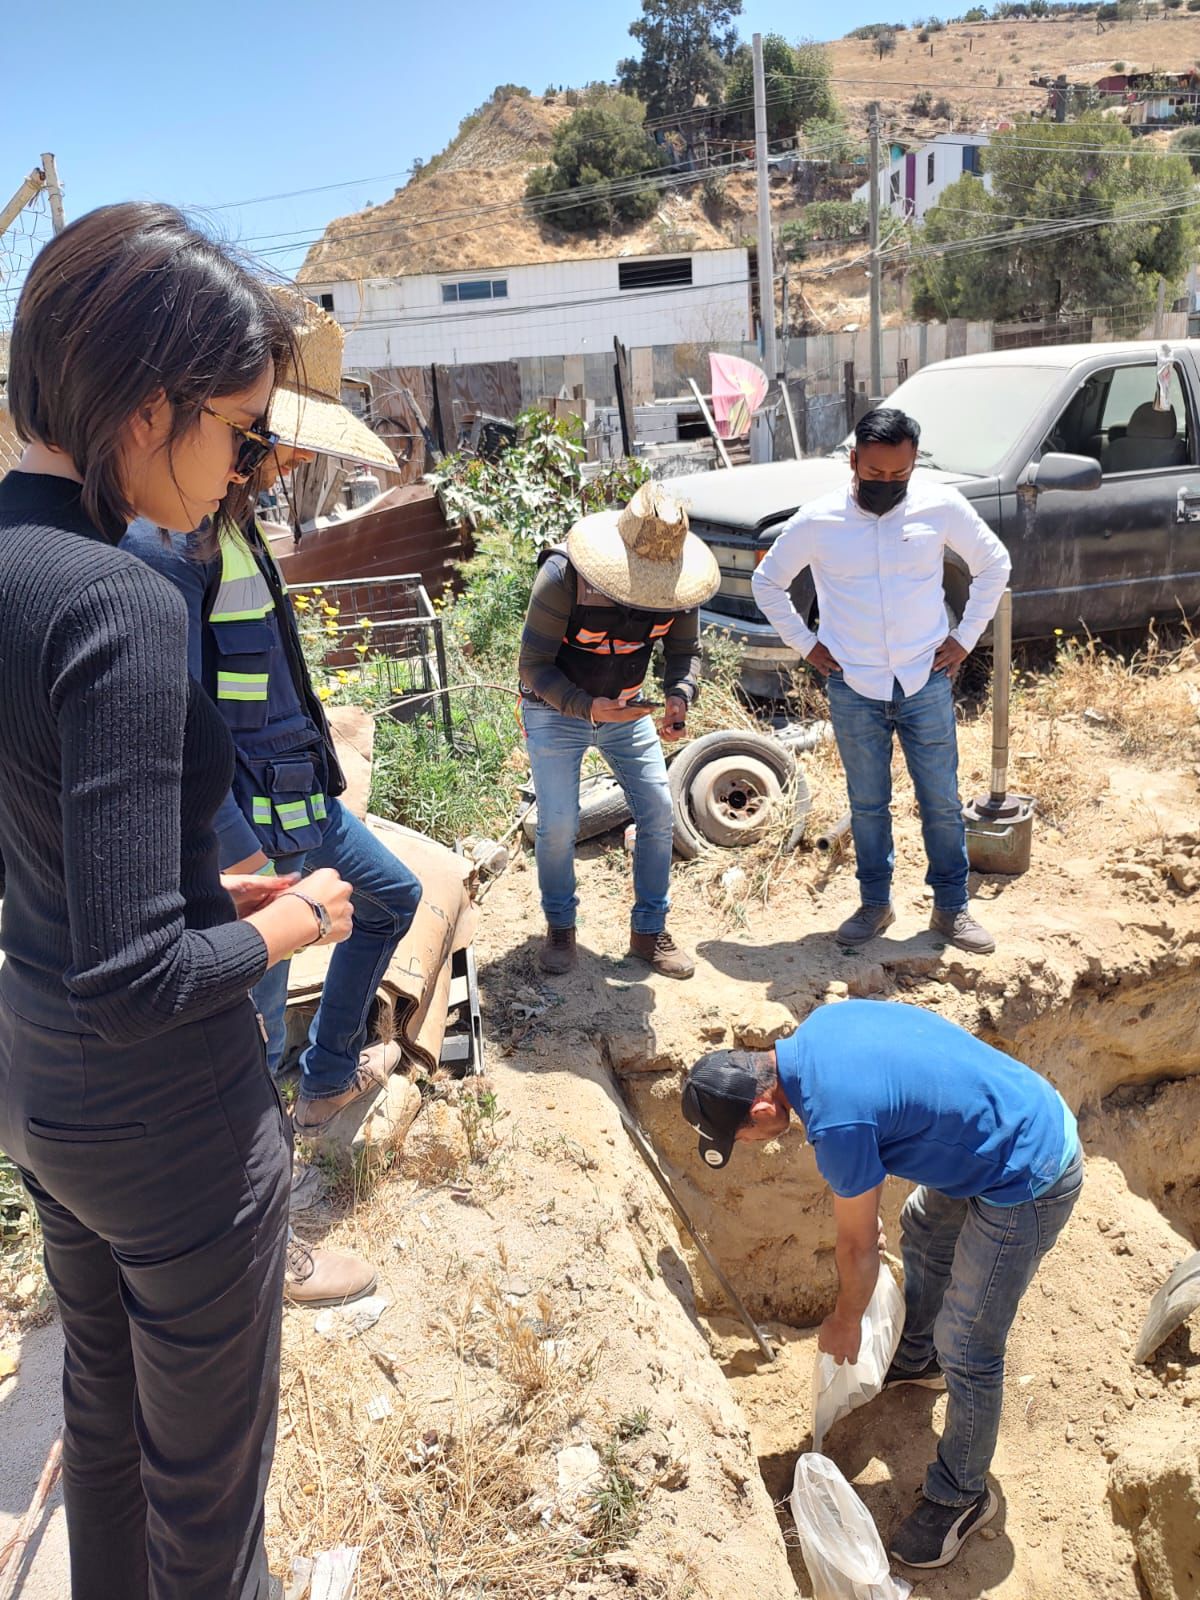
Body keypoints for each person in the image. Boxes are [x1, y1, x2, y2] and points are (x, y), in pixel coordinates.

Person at [0, 203, 354, 1600]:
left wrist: (211, 892)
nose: (249, 466)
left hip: (39, 1087)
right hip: (169, 1127)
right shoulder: (121, 601)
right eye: (242, 429)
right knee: (208, 1508)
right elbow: (141, 973)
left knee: (105, 1417)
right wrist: (296, 919)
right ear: (148, 408)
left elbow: (69, 865)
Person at [123, 294, 422, 1163]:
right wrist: (232, 847)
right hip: (248, 816)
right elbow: (169, 711)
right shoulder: (169, 543)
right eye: (283, 439)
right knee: (255, 992)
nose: (293, 460)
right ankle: (260, 1178)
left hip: (298, 795)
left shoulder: (235, 522)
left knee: (392, 897)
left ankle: (323, 1076)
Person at [681, 1000, 1081, 1571]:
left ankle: (963, 1495)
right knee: (923, 1224)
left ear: (764, 1103)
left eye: (740, 1135)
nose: (749, 1145)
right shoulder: (817, 1031)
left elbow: (858, 1245)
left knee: (968, 1344)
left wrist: (846, 1320)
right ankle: (918, 1359)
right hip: (1000, 1116)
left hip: (1028, 1168)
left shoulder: (838, 1122)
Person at [752, 407, 1011, 954]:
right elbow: (767, 582)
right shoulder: (819, 521)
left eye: (899, 476)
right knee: (868, 805)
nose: (887, 486)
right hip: (853, 686)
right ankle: (875, 904)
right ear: (854, 461)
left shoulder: (940, 507)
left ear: (914, 464)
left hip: (925, 679)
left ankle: (951, 909)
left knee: (941, 800)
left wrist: (964, 638)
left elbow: (994, 562)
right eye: (875, 475)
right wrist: (809, 647)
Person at [518, 482, 720, 978]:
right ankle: (561, 927)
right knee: (559, 824)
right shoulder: (564, 575)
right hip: (555, 711)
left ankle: (649, 932)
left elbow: (684, 654)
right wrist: (586, 706)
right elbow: (533, 665)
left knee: (658, 811)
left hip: (627, 714)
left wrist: (679, 695)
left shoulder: (681, 587)